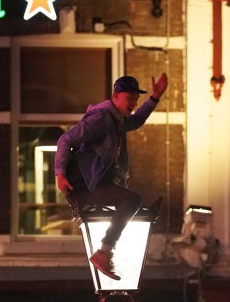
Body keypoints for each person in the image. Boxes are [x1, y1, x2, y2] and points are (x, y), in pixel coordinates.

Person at [55, 73, 169, 280]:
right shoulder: (102, 118)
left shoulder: (115, 119)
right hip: (82, 187)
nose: (134, 103)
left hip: (93, 185)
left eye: (136, 99)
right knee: (131, 200)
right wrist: (60, 174)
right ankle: (104, 252)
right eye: (129, 98)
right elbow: (65, 140)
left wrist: (154, 97)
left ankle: (106, 251)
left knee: (130, 202)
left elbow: (135, 121)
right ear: (115, 96)